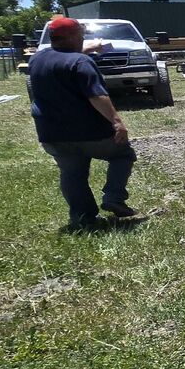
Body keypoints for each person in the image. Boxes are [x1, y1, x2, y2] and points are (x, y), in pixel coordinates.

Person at [29, 17, 138, 229]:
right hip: (90, 132)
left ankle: (83, 218)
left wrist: (90, 48)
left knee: (72, 174)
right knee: (123, 154)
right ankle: (113, 197)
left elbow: (63, 58)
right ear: (73, 36)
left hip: (53, 134)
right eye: (81, 34)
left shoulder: (37, 58)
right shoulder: (82, 63)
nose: (83, 38)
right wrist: (117, 122)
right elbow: (96, 96)